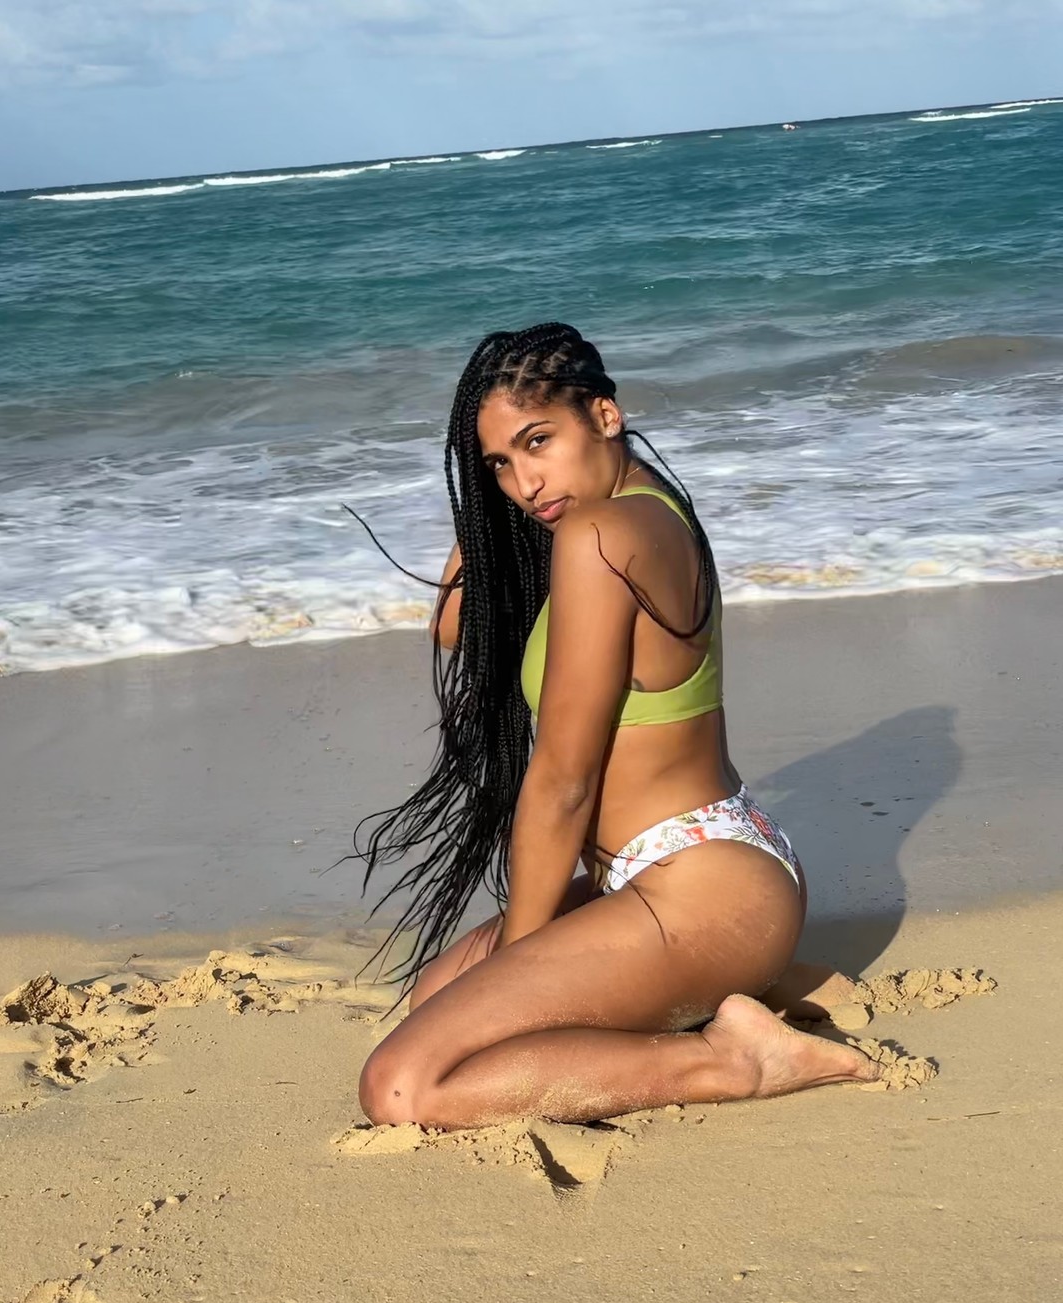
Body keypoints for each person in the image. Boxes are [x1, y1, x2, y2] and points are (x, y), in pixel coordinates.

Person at [356, 323, 879, 1131]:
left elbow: (564, 783)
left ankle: (734, 1059)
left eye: (539, 441)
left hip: (707, 892)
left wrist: (519, 963)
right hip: (686, 872)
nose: (524, 481)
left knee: (403, 1088)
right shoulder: (628, 514)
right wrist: (493, 513)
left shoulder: (601, 536)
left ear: (605, 415)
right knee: (434, 1002)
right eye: (499, 464)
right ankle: (732, 992)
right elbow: (455, 626)